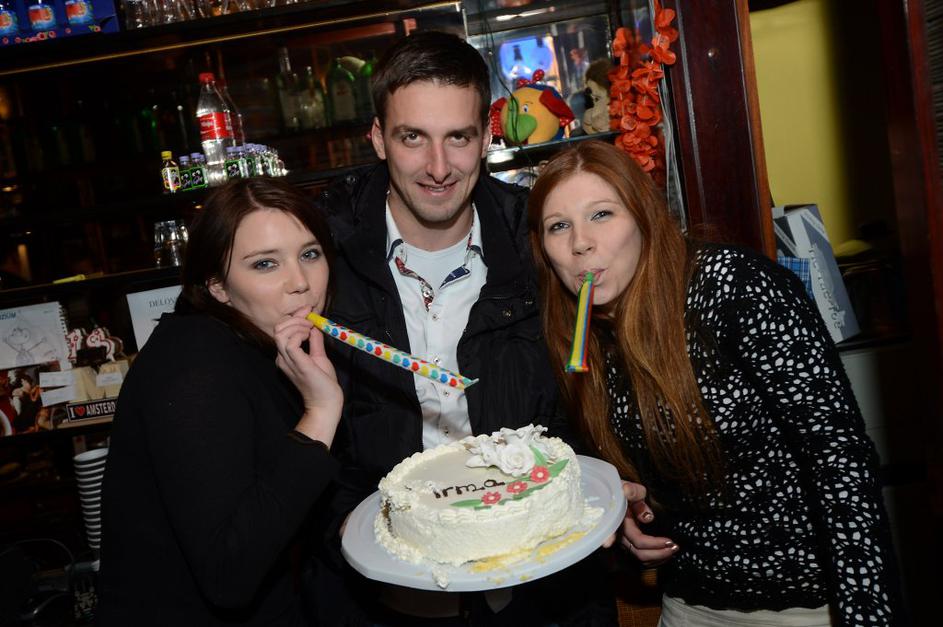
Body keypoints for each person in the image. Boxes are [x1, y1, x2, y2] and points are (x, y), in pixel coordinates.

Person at [528, 140, 904, 626]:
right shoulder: (579, 339)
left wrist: (866, 613)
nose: (581, 243)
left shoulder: (736, 287)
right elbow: (656, 471)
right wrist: (623, 511)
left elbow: (838, 456)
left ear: (644, 218)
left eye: (601, 214)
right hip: (690, 601)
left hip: (804, 605)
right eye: (559, 226)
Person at [314, 31, 616, 626]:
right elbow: (290, 436)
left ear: (486, 135)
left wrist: (618, 491)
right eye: (412, 137)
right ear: (377, 138)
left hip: (546, 590)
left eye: (458, 137)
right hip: (386, 599)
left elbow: (598, 389)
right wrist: (342, 533)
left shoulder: (541, 240)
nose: (438, 167)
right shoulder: (321, 255)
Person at [98, 178, 342, 626]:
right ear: (217, 286)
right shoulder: (192, 368)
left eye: (310, 254)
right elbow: (229, 574)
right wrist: (321, 412)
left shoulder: (264, 342)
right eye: (265, 263)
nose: (301, 284)